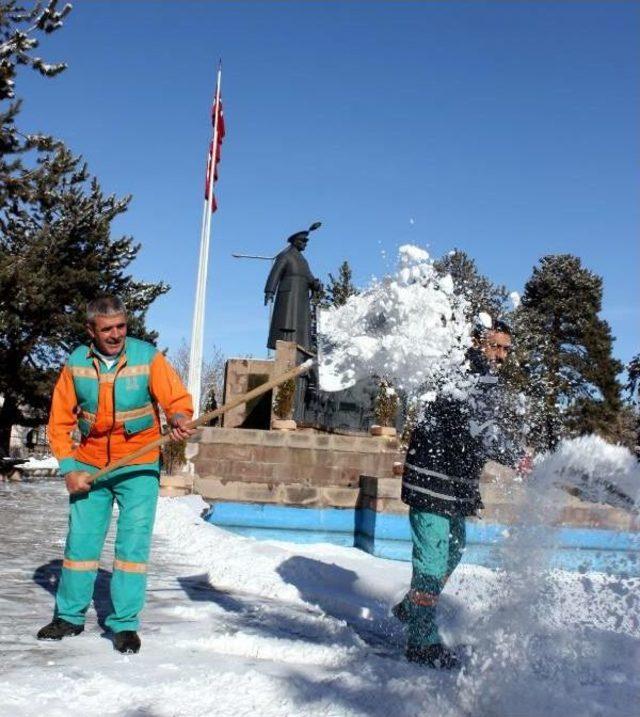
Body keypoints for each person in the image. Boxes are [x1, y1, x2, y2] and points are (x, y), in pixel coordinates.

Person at [37, 296, 194, 654]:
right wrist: (68, 469)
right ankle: (69, 617)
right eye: (107, 328)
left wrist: (180, 419)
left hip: (138, 466)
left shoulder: (147, 357)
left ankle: (124, 624)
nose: (116, 334)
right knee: (81, 545)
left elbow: (176, 401)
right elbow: (58, 424)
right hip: (91, 466)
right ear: (91, 329)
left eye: (121, 326)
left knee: (132, 547)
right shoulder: (76, 362)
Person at [396, 317, 530, 668]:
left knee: (453, 550)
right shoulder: (469, 370)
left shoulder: (483, 375)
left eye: (505, 349)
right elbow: (481, 429)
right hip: (432, 478)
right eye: (494, 345)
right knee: (433, 559)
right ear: (476, 342)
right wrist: (520, 459)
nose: (500, 355)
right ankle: (421, 642)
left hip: (453, 484)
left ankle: (412, 607)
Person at [264, 224, 323, 351]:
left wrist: (315, 284)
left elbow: (308, 276)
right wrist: (270, 291)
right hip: (289, 296)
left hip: (301, 297)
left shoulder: (303, 260)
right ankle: (287, 350)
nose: (305, 244)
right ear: (296, 241)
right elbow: (275, 273)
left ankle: (300, 350)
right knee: (287, 324)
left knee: (300, 327)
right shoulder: (285, 255)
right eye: (303, 241)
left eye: (306, 241)